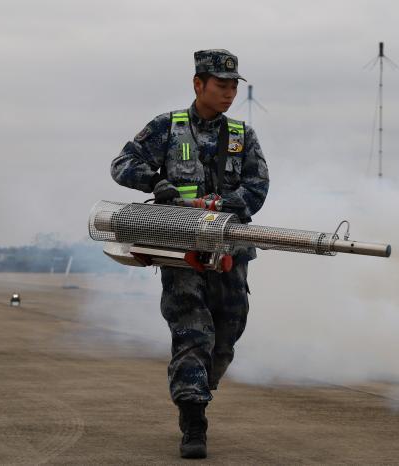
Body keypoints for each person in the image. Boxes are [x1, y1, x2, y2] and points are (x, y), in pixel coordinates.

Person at [110, 49, 269, 459]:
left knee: (228, 334)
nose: (230, 93)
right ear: (198, 84)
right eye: (221, 85)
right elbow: (122, 164)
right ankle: (193, 417)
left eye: (234, 86)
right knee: (193, 332)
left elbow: (257, 189)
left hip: (229, 250)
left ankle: (201, 385)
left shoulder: (242, 136)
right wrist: (156, 183)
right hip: (181, 254)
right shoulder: (167, 127)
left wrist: (220, 204)